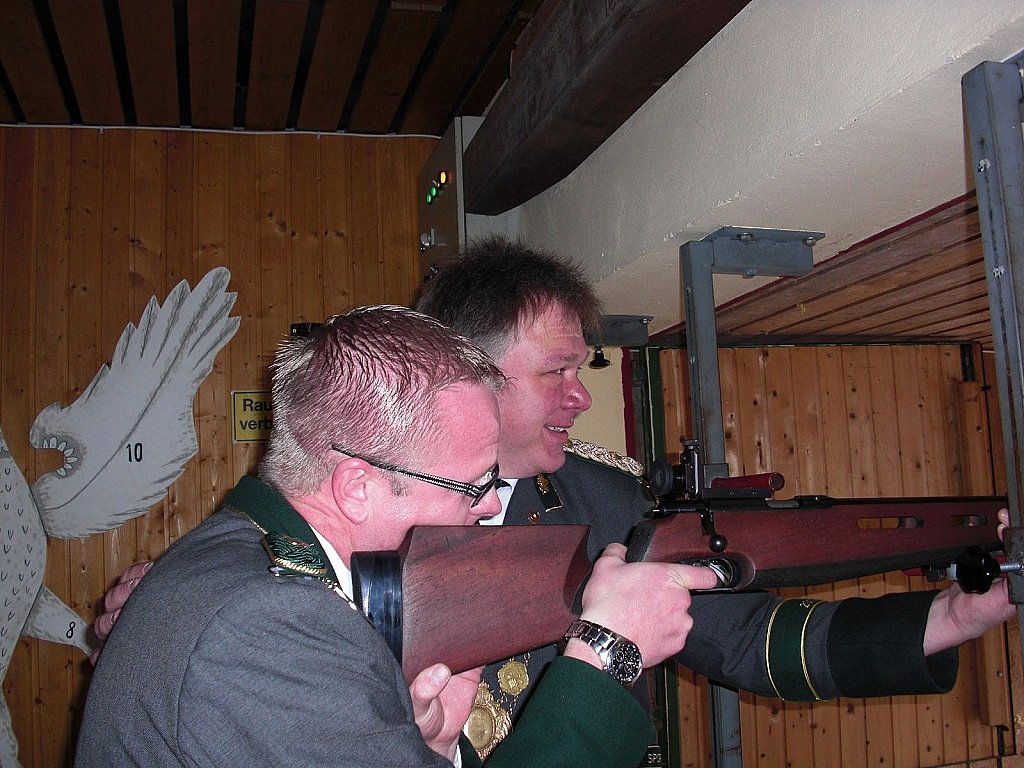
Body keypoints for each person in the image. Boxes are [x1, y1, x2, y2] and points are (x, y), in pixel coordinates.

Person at [411, 235, 1016, 757]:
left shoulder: (608, 503)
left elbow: (750, 638)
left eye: (580, 371)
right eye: (557, 371)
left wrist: (952, 616)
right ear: (470, 373)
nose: (582, 397)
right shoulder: (373, 514)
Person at [75, 305, 719, 767]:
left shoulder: (256, 567)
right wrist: (606, 654)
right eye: (472, 484)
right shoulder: (266, 624)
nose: (489, 503)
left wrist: (428, 748)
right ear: (358, 486)